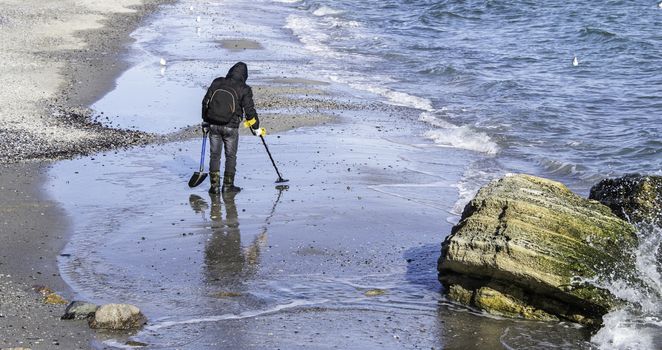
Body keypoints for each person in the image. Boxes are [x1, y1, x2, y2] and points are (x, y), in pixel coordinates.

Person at [201, 62, 260, 194]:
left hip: (213, 124)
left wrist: (205, 121)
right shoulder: (244, 89)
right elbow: (249, 111)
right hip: (231, 127)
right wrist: (256, 128)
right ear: (244, 75)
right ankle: (228, 186)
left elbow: (205, 102)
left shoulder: (217, 82)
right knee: (230, 156)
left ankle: (214, 187)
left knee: (214, 156)